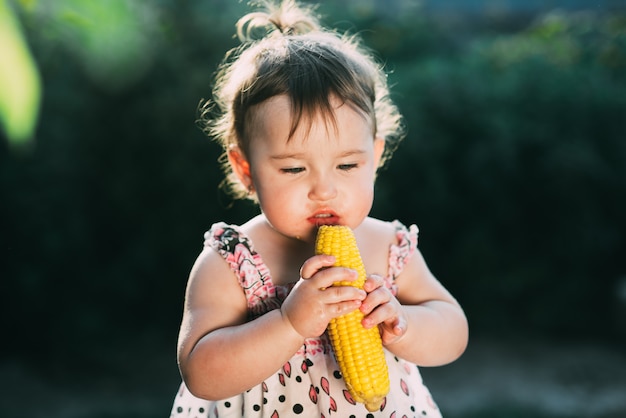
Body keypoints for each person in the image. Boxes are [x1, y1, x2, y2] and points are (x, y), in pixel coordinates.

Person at [170, 1, 468, 416]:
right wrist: (288, 324)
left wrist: (403, 324)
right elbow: (200, 374)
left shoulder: (388, 247)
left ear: (375, 157)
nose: (324, 190)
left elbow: (454, 330)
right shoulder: (232, 262)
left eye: (347, 165)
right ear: (246, 170)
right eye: (294, 168)